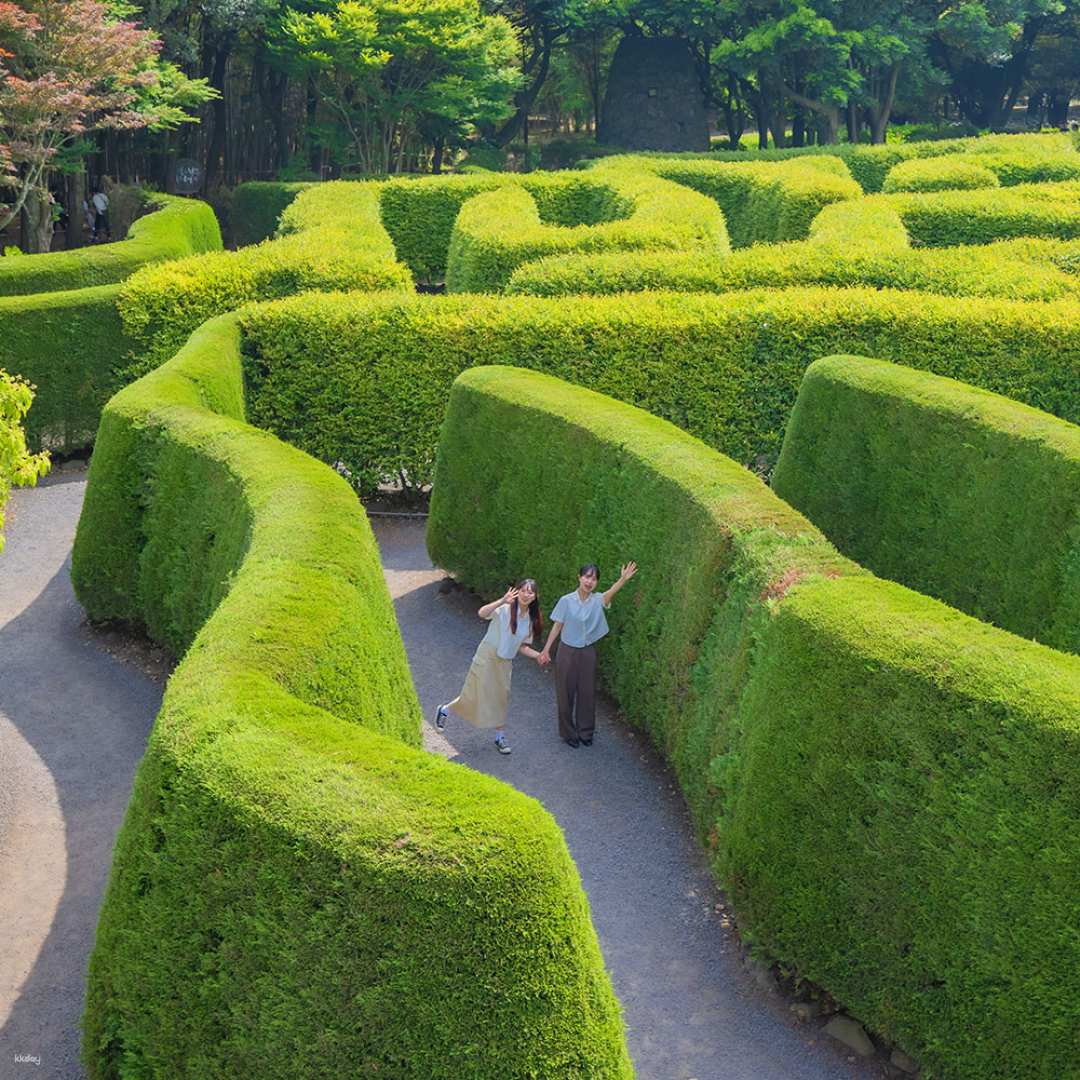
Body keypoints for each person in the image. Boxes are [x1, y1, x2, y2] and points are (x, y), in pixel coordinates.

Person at [435, 579, 546, 755]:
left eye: (530, 592)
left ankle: (499, 737)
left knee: (501, 699)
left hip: (505, 662)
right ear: (517, 592)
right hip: (487, 656)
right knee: (474, 693)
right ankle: (445, 710)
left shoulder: (530, 620)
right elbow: (482, 613)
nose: (526, 594)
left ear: (535, 596)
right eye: (523, 590)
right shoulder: (505, 608)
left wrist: (538, 655)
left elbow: (522, 646)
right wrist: (502, 600)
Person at [539, 561, 637, 748]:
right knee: (565, 693)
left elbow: (611, 592)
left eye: (593, 578)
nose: (589, 581)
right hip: (566, 651)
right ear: (579, 577)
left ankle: (585, 732)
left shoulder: (597, 600)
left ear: (596, 582)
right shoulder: (566, 600)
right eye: (586, 576)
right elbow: (557, 626)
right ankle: (568, 733)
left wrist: (623, 579)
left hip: (587, 651)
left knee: (587, 692)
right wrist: (546, 649)